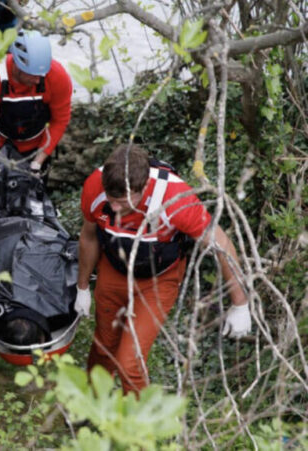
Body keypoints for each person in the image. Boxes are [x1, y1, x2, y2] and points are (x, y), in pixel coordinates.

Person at [75, 144, 253, 395]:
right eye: (111, 200)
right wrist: (82, 287)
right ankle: (91, 408)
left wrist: (240, 303)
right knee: (103, 348)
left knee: (129, 362)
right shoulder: (95, 186)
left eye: (123, 202)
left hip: (158, 281)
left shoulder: (174, 198)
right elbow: (89, 237)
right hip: (114, 270)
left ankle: (137, 430)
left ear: (143, 188)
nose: (114, 207)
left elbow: (221, 245)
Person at [0, 29, 72, 177]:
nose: (37, 80)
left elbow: (60, 120)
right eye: (32, 74)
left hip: (36, 147)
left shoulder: (56, 76)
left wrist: (38, 162)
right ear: (16, 63)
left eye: (41, 75)